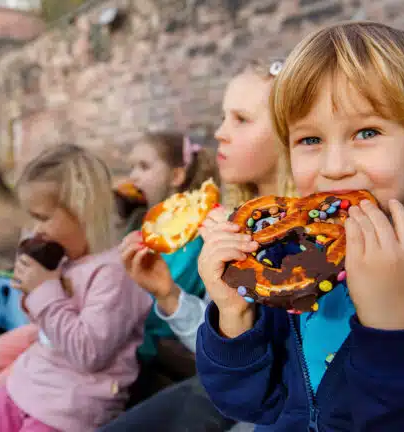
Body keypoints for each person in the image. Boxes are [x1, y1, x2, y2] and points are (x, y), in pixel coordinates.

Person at [195, 22, 404, 431]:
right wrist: (234, 316)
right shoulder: (290, 265)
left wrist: (392, 327)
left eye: (367, 132)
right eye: (310, 140)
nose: (335, 167)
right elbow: (254, 405)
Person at [100, 59, 295, 432]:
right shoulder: (229, 222)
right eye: (224, 118)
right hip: (222, 384)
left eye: (241, 119)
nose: (220, 133)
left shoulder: (304, 241)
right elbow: (219, 349)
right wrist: (169, 294)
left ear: (291, 136)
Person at [0, 144, 152, 432]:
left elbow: (89, 353)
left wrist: (44, 291)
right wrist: (30, 291)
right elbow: (47, 330)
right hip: (33, 385)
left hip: (71, 408)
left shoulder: (115, 275)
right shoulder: (65, 259)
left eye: (42, 218)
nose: (35, 229)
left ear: (83, 212)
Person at [121, 131, 219, 363]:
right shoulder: (140, 222)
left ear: (176, 176)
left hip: (158, 349)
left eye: (144, 167)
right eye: (132, 167)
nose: (133, 177)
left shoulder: (192, 236)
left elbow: (156, 303)